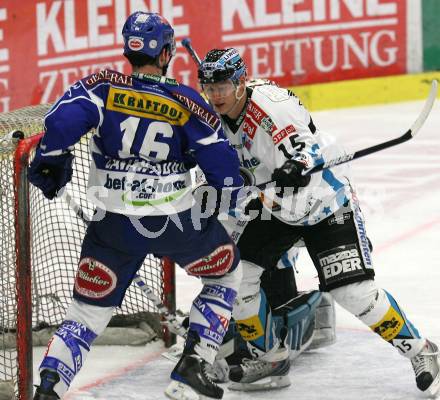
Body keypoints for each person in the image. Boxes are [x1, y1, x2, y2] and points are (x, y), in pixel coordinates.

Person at [197, 48, 440, 396]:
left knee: (353, 293)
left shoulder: (271, 106)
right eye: (210, 86)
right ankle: (271, 359)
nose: (216, 94)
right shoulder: (214, 117)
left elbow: (307, 147)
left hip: (325, 202)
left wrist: (298, 164)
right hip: (278, 208)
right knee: (237, 279)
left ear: (241, 82)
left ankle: (422, 350)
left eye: (223, 85)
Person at [28, 13, 245, 400]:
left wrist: (52, 159)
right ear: (166, 53)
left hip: (112, 227)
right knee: (225, 275)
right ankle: (193, 367)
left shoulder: (102, 86)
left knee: (86, 315)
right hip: (178, 224)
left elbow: (59, 124)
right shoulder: (186, 100)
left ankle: (49, 387)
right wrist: (221, 205)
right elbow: (225, 170)